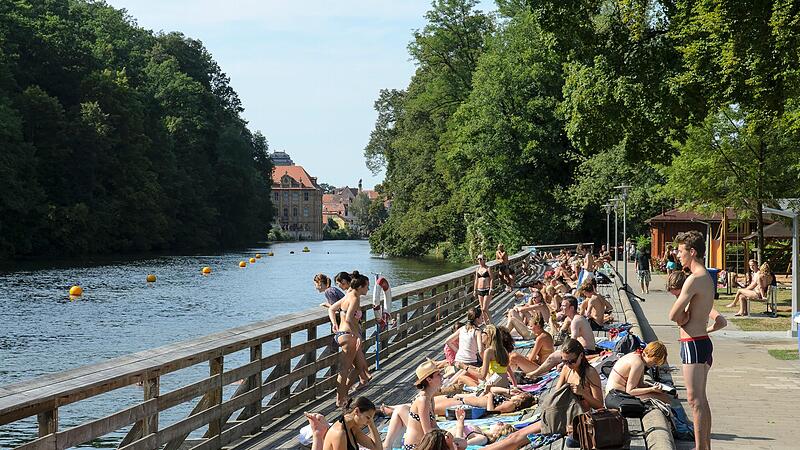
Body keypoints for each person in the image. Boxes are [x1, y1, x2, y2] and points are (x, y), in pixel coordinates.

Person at [481, 339, 604, 450]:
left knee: (517, 439)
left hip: (576, 418)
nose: (567, 364)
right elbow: (556, 396)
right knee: (514, 436)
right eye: (564, 361)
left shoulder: (590, 373)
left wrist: (583, 393)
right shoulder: (567, 369)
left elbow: (599, 406)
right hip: (561, 415)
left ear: (581, 356)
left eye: (571, 361)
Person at [668, 230, 715, 450]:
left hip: (693, 343)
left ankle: (700, 447)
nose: (678, 255)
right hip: (702, 341)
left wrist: (683, 318)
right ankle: (704, 445)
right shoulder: (706, 276)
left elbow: (673, 315)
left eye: (680, 251)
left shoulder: (693, 280)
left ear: (692, 252)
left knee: (694, 400)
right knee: (701, 400)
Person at [524, 295, 598, 378]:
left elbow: (573, 342)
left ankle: (535, 374)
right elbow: (561, 335)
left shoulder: (576, 320)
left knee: (554, 356)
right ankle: (537, 372)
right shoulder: (572, 319)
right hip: (584, 350)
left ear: (572, 308)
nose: (561, 308)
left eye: (564, 306)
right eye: (561, 305)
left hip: (586, 351)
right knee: (556, 353)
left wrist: (564, 362)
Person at [329, 271, 371, 407]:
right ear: (360, 287)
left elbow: (332, 308)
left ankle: (344, 395)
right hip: (349, 335)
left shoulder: (348, 295)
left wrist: (334, 323)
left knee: (359, 367)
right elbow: (348, 318)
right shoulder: (354, 298)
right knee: (344, 369)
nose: (368, 289)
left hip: (342, 334)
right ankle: (340, 400)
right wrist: (357, 335)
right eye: (366, 287)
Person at [605, 341, 673, 408]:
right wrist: (652, 389)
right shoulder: (638, 364)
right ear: (646, 354)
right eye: (654, 361)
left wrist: (657, 388)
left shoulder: (637, 356)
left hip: (612, 395)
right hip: (617, 397)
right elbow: (630, 391)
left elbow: (640, 385)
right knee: (665, 399)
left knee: (662, 395)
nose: (654, 365)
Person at [303, 396, 382, 450]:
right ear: (357, 411)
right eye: (368, 418)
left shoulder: (352, 427)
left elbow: (377, 448)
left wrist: (371, 424)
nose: (368, 422)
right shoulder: (339, 433)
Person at [402, 360, 444, 449]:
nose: (442, 376)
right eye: (438, 375)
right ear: (429, 379)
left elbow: (434, 425)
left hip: (424, 443)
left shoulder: (429, 397)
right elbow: (428, 432)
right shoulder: (423, 400)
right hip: (416, 446)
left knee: (460, 442)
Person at [474, 254, 494, 324]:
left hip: (487, 289)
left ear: (484, 260)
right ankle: (486, 324)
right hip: (479, 290)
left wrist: (491, 288)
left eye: (481, 259)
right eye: (478, 259)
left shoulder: (488, 268)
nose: (479, 260)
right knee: (482, 309)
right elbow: (476, 280)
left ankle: (491, 322)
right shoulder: (477, 269)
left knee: (485, 308)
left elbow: (491, 279)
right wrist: (474, 290)